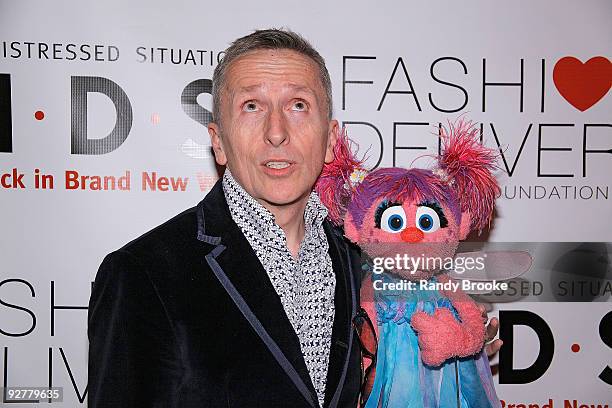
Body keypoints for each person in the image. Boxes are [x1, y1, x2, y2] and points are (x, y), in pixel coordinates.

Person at [87, 28, 500, 408]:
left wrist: (461, 353)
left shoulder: (366, 258)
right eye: (252, 106)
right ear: (218, 142)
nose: (277, 132)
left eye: (298, 105)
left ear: (330, 140)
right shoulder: (142, 273)